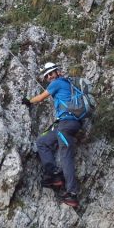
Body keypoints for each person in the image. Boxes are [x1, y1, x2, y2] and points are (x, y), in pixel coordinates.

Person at [22, 62, 82, 208]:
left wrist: (28, 101)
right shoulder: (68, 83)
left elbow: (41, 97)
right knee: (42, 142)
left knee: (66, 157)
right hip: (67, 124)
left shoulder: (58, 83)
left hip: (66, 124)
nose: (49, 77)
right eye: (47, 76)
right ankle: (54, 174)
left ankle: (72, 194)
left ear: (56, 72)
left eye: (51, 73)